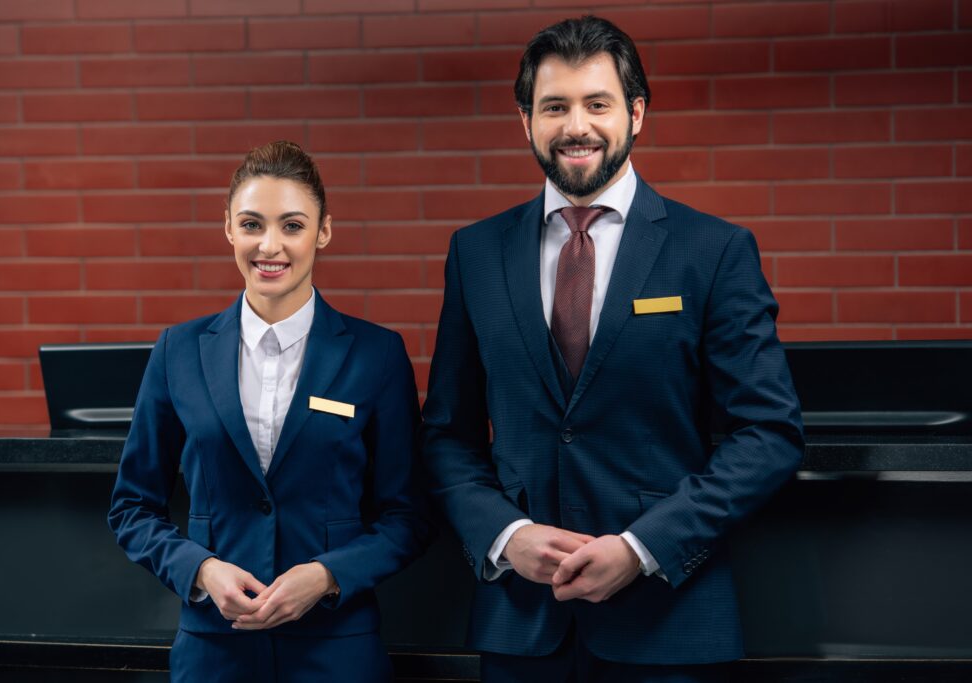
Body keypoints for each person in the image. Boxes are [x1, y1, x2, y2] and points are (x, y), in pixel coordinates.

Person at [421, 16, 804, 683]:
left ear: (635, 113)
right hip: (521, 628)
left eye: (597, 104)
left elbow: (768, 432)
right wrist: (508, 536)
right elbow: (448, 434)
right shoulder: (475, 254)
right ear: (526, 120)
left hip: (668, 622)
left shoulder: (712, 252)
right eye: (555, 106)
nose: (577, 126)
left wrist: (640, 546)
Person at [109, 140, 428, 682]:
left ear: (323, 231)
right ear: (229, 228)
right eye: (253, 224)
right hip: (215, 650)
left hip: (337, 650)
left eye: (292, 225)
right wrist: (202, 571)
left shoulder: (377, 355)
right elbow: (132, 508)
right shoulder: (177, 352)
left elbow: (410, 516)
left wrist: (327, 575)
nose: (270, 245)